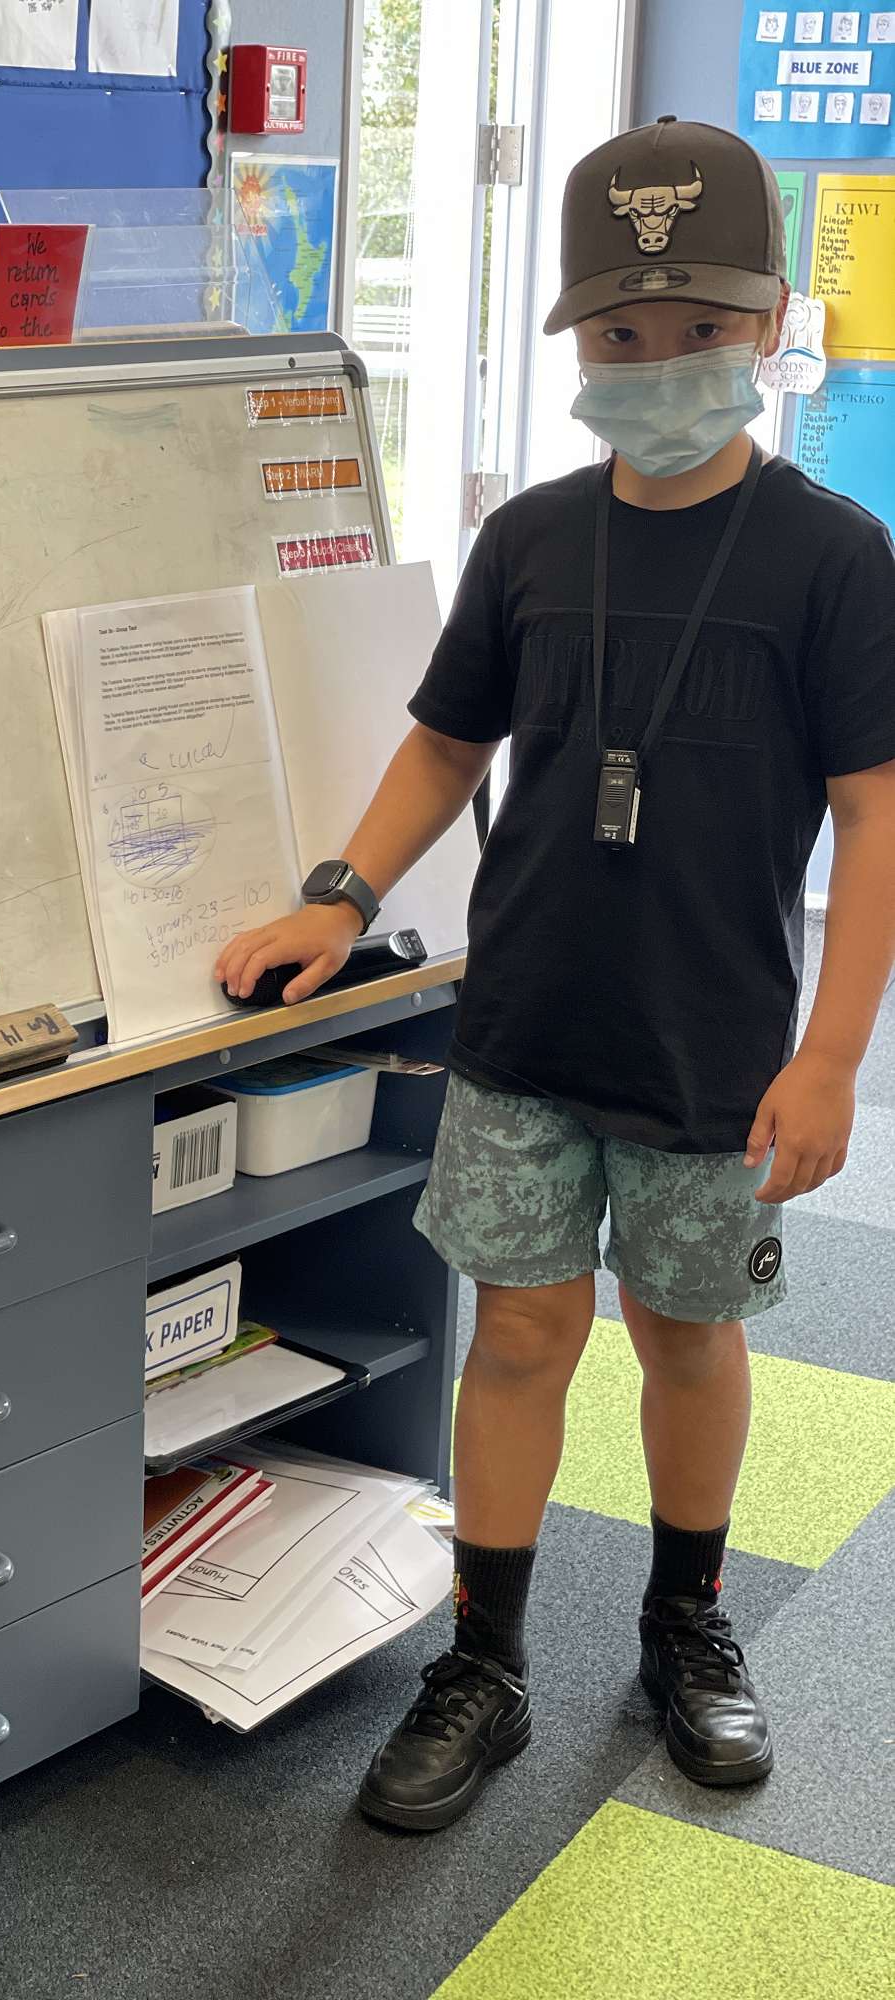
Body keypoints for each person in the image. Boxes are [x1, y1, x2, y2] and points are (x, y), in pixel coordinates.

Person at [218, 117, 895, 1831]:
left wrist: (833, 1055)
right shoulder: (528, 541)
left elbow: (877, 817)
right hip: (523, 1025)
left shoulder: (832, 558)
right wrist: (337, 894)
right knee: (520, 1333)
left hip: (715, 1045)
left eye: (701, 329)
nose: (659, 363)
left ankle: (687, 1621)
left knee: (688, 1336)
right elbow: (447, 747)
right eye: (621, 331)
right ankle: (486, 1661)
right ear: (577, 338)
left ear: (770, 327)